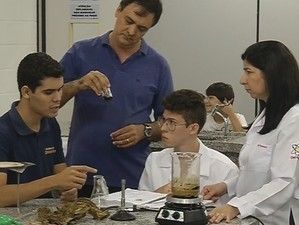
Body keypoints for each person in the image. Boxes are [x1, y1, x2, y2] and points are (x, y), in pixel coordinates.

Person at [59, 0, 173, 196]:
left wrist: (144, 131)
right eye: (128, 20)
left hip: (131, 177)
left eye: (141, 29)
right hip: (80, 175)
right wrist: (78, 84)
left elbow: (170, 121)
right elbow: (48, 101)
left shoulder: (158, 65)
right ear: (118, 10)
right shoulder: (80, 52)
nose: (131, 31)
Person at [202, 41, 299, 225]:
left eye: (249, 71)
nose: (242, 80)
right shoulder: (267, 114)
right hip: (255, 217)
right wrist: (226, 186)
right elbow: (256, 171)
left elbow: (285, 181)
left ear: (272, 73)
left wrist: (236, 207)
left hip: (282, 218)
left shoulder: (295, 119)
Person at [0, 53, 97, 207]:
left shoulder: (50, 124)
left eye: (59, 89)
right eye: (48, 92)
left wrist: (68, 188)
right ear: (26, 92)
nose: (58, 98)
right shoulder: (3, 132)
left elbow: (60, 173)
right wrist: (53, 182)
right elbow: (0, 196)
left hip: (43, 215)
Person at [138, 89, 239, 203]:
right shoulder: (154, 160)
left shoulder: (225, 169)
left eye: (172, 123)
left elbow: (232, 214)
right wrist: (157, 195)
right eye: (163, 120)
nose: (163, 128)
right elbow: (139, 206)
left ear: (193, 128)